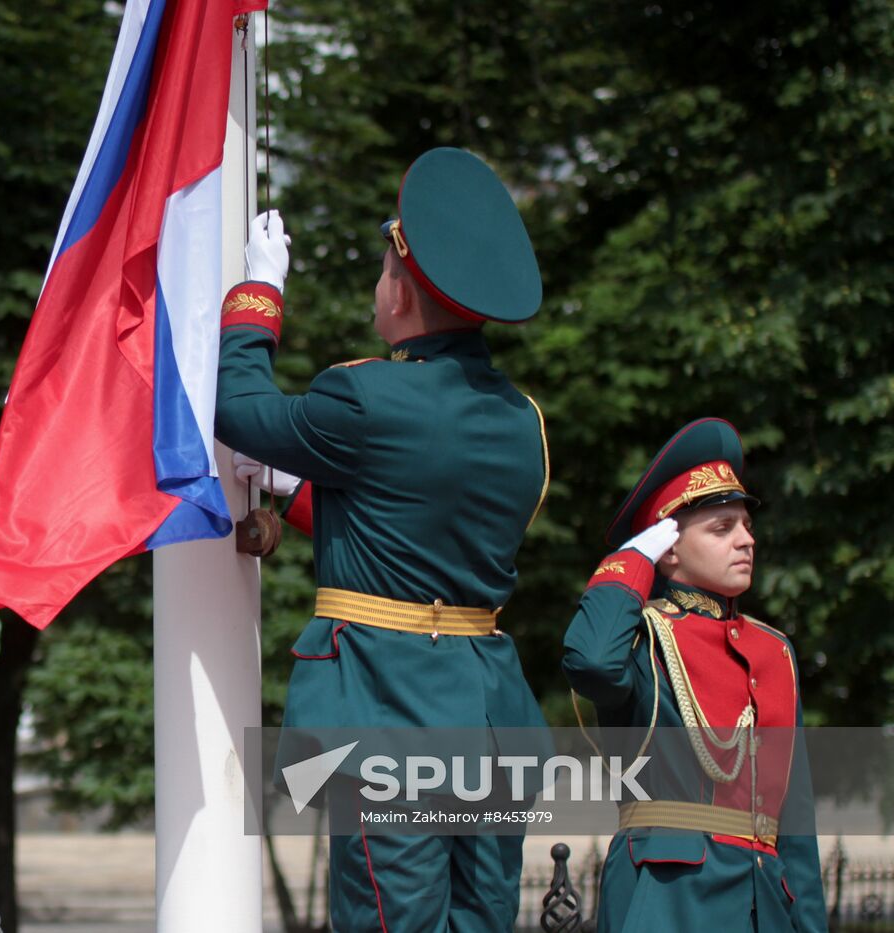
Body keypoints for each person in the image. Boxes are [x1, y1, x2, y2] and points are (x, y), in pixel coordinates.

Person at [216, 148, 551, 932]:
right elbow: (422, 537)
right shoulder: (522, 422)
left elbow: (237, 405)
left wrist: (258, 289)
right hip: (489, 715)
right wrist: (301, 492)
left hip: (386, 712)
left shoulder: (365, 396)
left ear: (401, 291)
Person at [563, 417, 826, 932]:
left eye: (747, 525)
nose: (746, 540)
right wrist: (633, 562)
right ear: (671, 549)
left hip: (764, 904)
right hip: (668, 902)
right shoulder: (643, 637)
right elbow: (591, 663)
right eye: (722, 528)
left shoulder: (775, 651)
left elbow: (797, 822)